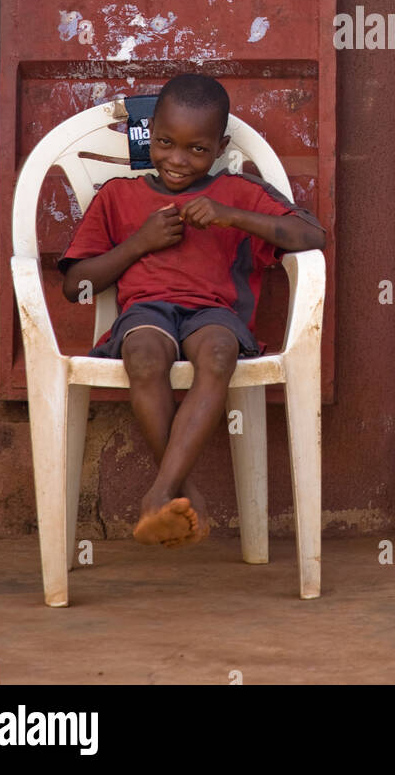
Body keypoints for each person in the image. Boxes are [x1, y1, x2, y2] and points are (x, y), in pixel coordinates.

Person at [59, 74, 326, 549]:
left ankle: (160, 492)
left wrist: (231, 216)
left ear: (220, 146)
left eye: (197, 149)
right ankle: (183, 491)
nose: (177, 160)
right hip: (147, 313)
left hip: (213, 314)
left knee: (220, 353)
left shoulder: (240, 192)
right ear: (149, 134)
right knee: (142, 356)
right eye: (165, 142)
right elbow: (75, 286)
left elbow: (312, 236)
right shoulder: (119, 197)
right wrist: (138, 244)